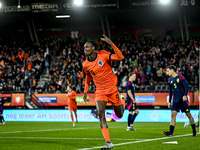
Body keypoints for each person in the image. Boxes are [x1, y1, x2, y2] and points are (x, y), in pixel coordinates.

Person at [83, 35, 124, 149]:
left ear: (94, 48)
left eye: (87, 47)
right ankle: (108, 142)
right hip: (100, 91)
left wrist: (111, 44)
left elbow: (120, 57)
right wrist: (85, 91)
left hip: (112, 89)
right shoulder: (86, 64)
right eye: (84, 47)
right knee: (101, 113)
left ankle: (123, 101)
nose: (85, 49)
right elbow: (88, 78)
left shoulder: (104, 55)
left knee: (119, 115)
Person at [163, 65, 196, 137]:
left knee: (188, 114)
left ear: (172, 70)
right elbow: (170, 91)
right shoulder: (169, 80)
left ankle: (194, 131)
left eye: (168, 71)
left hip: (182, 100)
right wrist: (169, 101)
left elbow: (186, 86)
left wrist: (185, 95)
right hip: (175, 100)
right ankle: (171, 133)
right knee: (173, 115)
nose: (167, 72)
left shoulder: (181, 77)